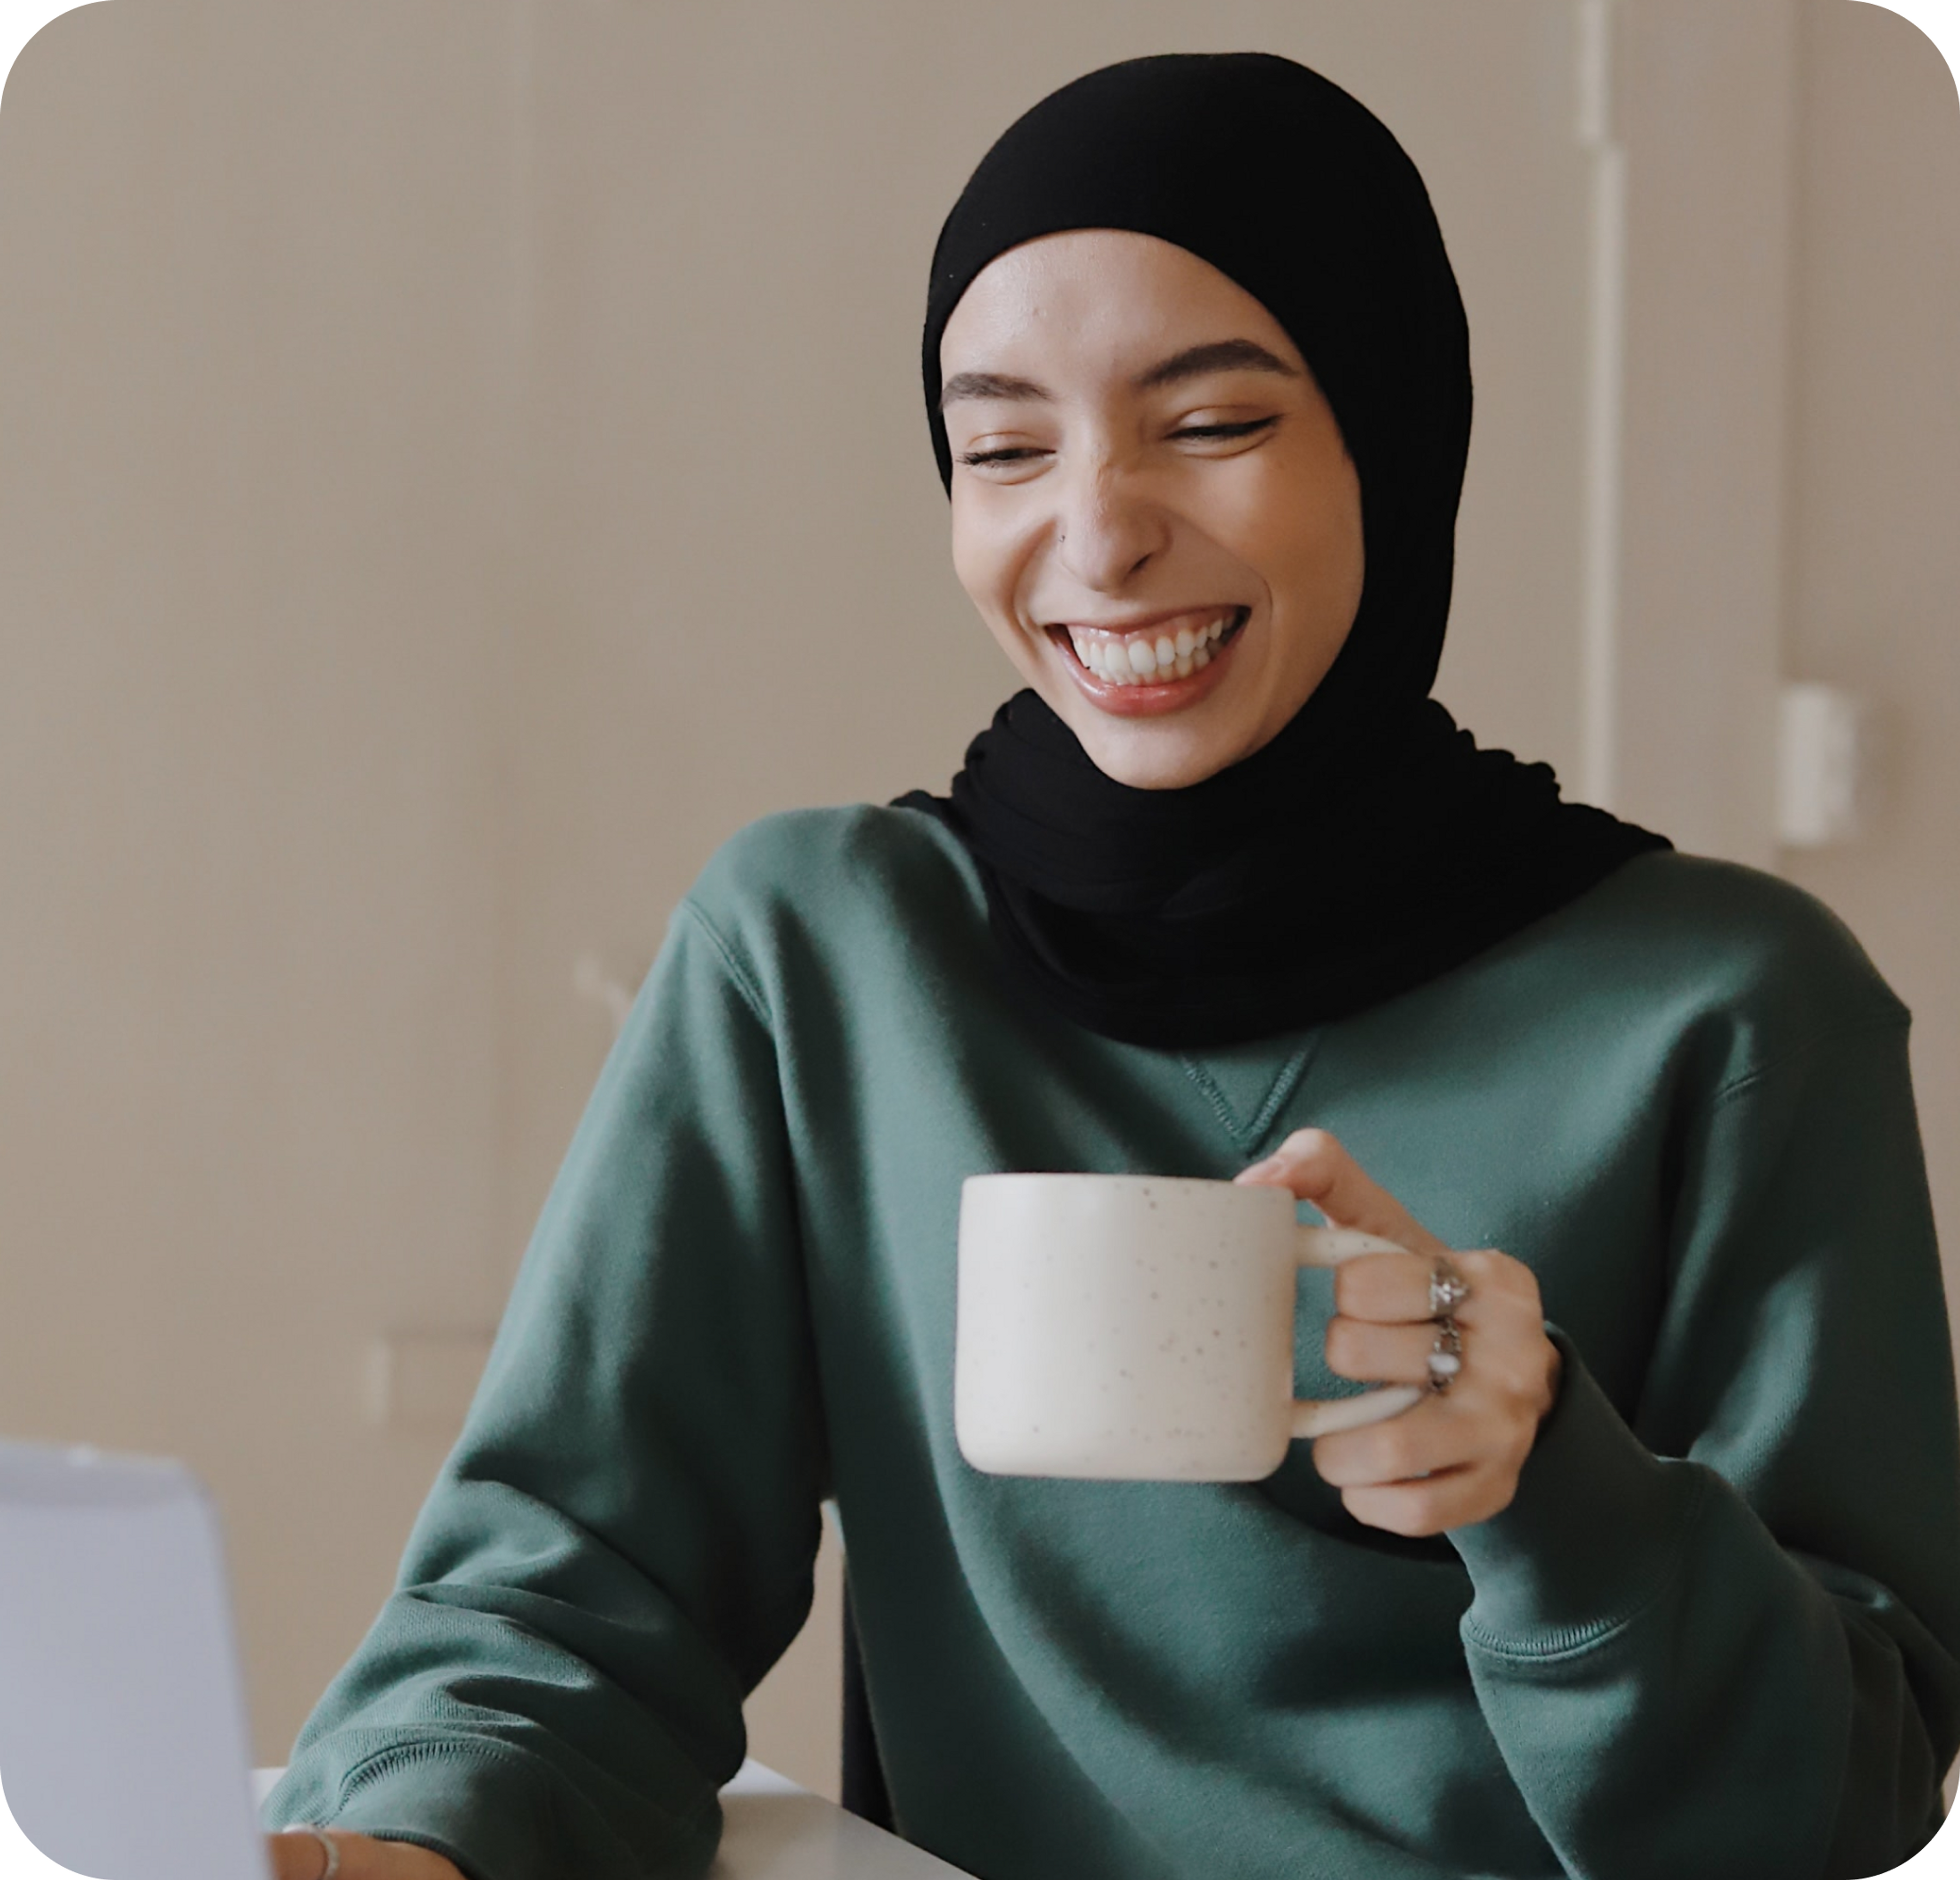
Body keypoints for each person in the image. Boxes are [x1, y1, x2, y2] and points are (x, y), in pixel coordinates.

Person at [261, 51, 1960, 1880]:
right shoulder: (818, 955)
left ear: (1393, 432)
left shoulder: (1732, 1007)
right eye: (1003, 447)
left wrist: (1550, 1490)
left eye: (1214, 425)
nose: (1096, 532)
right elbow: (568, 1596)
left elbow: (1850, 1799)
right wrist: (410, 1838)